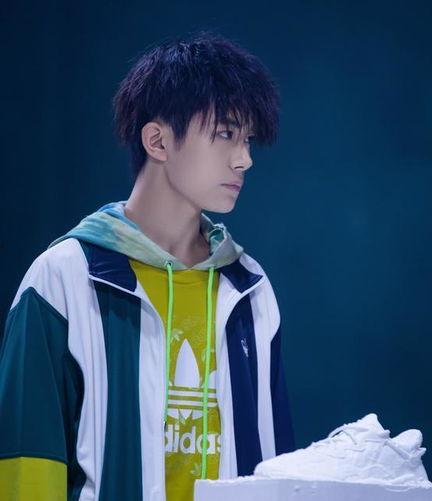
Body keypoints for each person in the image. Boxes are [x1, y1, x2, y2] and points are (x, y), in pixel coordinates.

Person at [0, 30, 295, 501]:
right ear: (158, 141)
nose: (244, 160)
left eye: (248, 140)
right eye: (225, 134)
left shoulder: (251, 290)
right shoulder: (61, 280)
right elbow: (27, 464)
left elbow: (278, 468)